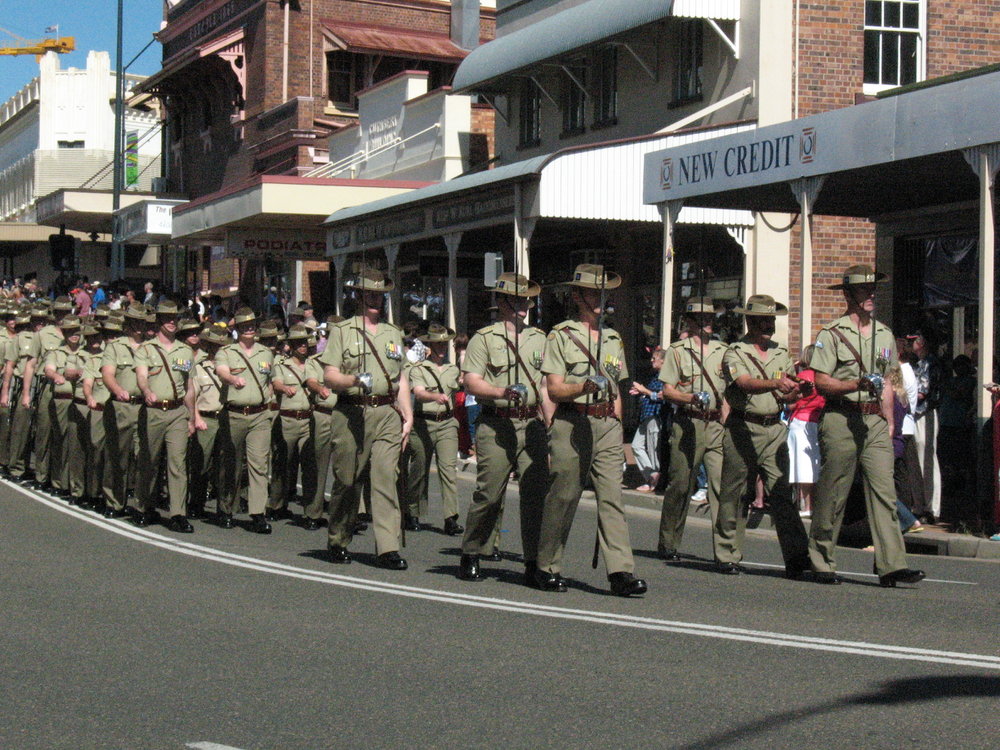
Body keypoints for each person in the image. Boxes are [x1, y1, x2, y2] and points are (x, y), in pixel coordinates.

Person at [533, 264, 646, 596]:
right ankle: (547, 565)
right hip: (572, 421)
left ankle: (621, 571)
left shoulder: (612, 338)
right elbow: (553, 388)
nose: (599, 299)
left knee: (613, 497)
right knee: (564, 496)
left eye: (603, 293)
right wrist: (582, 386)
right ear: (577, 296)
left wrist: (618, 425)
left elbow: (617, 387)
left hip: (607, 424)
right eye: (592, 292)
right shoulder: (561, 336)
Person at [809, 264, 925, 587]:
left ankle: (891, 564)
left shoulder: (885, 334)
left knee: (885, 493)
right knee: (834, 491)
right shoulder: (831, 334)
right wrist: (854, 385)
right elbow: (821, 382)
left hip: (874, 420)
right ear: (848, 294)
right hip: (841, 418)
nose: (871, 294)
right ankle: (821, 560)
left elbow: (888, 381)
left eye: (873, 288)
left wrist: (889, 422)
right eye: (864, 289)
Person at [455, 272, 551, 584]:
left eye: (527, 298)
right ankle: (472, 550)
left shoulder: (541, 339)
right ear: (502, 302)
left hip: (532, 423)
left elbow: (547, 386)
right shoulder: (484, 338)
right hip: (496, 422)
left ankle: (534, 562)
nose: (525, 304)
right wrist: (500, 392)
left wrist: (551, 425)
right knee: (489, 493)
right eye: (518, 298)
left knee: (536, 494)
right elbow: (471, 381)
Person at [320, 268, 413, 569]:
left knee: (386, 477)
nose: (376, 300)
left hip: (387, 412)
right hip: (351, 412)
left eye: (380, 295)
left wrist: (408, 414)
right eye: (370, 294)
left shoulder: (393, 332)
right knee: (347, 480)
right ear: (358, 296)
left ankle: (387, 547)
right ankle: (338, 537)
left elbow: (399, 377)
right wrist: (352, 381)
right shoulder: (342, 331)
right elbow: (330, 375)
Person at [714, 295, 811, 577]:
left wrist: (798, 391)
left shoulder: (781, 353)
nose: (769, 325)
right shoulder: (734, 353)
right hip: (743, 427)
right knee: (735, 492)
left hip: (774, 428)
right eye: (763, 320)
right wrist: (775, 383)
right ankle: (727, 554)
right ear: (750, 322)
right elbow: (744, 383)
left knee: (782, 494)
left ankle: (797, 557)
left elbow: (788, 394)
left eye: (771, 320)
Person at [657, 297, 728, 561]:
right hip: (688, 422)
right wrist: (690, 398)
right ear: (690, 321)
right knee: (681, 485)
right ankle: (669, 542)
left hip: (716, 425)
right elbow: (667, 391)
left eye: (710, 317)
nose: (707, 322)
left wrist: (726, 416)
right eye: (701, 318)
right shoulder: (678, 351)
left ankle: (725, 551)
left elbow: (729, 390)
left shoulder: (723, 350)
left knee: (722, 486)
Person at [135, 300, 196, 533]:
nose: (172, 322)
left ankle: (178, 513)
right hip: (153, 412)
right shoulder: (146, 349)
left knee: (178, 464)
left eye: (175, 318)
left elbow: (189, 387)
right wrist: (147, 390)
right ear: (159, 321)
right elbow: (142, 376)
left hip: (177, 412)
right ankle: (145, 507)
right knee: (149, 460)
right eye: (167, 318)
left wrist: (191, 416)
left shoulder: (185, 350)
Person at [215, 307, 275, 534]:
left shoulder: (266, 353)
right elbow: (221, 372)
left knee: (259, 464)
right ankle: (226, 507)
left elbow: (271, 379)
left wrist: (267, 401)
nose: (250, 328)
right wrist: (232, 378)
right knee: (231, 464)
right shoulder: (227, 352)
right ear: (237, 329)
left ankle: (258, 513)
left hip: (259, 415)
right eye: (245, 326)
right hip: (234, 414)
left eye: (252, 325)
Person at [406, 324, 464, 535]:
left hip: (447, 424)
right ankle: (412, 511)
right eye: (438, 344)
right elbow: (419, 393)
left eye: (444, 344)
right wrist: (434, 396)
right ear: (430, 345)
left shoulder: (453, 369)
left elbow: (460, 387)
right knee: (419, 469)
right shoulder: (418, 369)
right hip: (423, 424)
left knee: (448, 469)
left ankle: (451, 517)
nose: (442, 347)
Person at [101, 304, 147, 518]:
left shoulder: (151, 348)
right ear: (127, 324)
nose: (139, 327)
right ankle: (114, 502)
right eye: (135, 322)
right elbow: (108, 374)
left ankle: (141, 505)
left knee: (144, 457)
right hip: (121, 407)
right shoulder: (115, 347)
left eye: (143, 323)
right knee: (118, 456)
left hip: (146, 407)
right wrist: (118, 390)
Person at [267, 324, 316, 522]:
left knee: (309, 465)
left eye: (305, 342)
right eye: (298, 343)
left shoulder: (314, 365)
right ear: (291, 345)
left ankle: (310, 511)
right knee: (282, 464)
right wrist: (284, 388)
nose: (303, 346)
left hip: (308, 419)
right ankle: (277, 505)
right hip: (287, 418)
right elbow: (276, 383)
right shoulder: (281, 366)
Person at [188, 324, 228, 520]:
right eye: (214, 346)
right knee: (201, 465)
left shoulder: (231, 367)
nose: (217, 349)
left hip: (226, 419)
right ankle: (196, 503)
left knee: (224, 466)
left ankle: (223, 508)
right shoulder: (199, 368)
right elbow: (192, 395)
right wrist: (195, 418)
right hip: (206, 418)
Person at [886, 363, 924, 534]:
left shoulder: (892, 398)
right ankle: (907, 517)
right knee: (900, 481)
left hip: (893, 443)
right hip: (901, 442)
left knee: (883, 487)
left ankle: (907, 519)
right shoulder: (903, 398)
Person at [909, 329, 942, 522]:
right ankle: (920, 505)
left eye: (913, 340)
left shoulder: (930, 364)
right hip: (915, 415)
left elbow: (922, 391)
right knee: (917, 459)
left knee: (927, 457)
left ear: (921, 343)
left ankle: (932, 507)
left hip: (925, 413)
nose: (910, 344)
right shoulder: (918, 364)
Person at [787, 345, 825, 517]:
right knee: (814, 464)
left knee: (801, 465)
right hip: (817, 420)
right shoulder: (823, 377)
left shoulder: (803, 376)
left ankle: (805, 505)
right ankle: (814, 504)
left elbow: (789, 403)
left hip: (800, 421)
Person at [628, 347, 665, 492]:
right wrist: (641, 392)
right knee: (636, 446)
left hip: (655, 415)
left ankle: (654, 481)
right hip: (646, 415)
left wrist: (644, 390)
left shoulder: (665, 377)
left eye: (654, 358)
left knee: (653, 448)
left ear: (662, 361)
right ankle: (651, 475)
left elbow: (662, 396)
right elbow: (651, 393)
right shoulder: (654, 376)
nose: (651, 361)